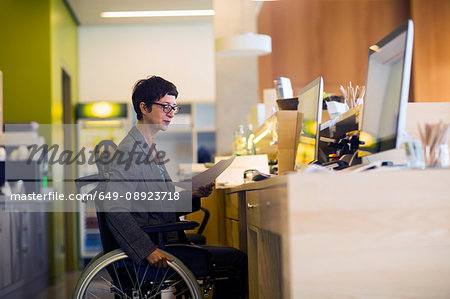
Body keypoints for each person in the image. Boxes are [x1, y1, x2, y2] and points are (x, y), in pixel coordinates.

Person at [101, 76, 247, 298]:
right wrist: (147, 250)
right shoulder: (131, 152)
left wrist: (192, 195)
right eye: (165, 106)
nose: (171, 113)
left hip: (161, 235)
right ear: (144, 107)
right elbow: (114, 208)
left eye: (174, 107)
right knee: (237, 259)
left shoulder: (148, 149)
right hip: (154, 244)